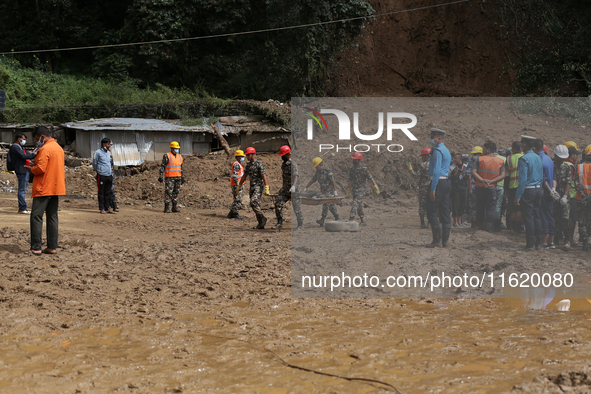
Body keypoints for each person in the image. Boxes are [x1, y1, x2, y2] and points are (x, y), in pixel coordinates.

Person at [24, 126, 65, 255]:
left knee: (36, 216)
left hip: (43, 188)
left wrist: (30, 169)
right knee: (53, 216)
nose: (37, 142)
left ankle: (36, 247)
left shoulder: (45, 149)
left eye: (37, 139)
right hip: (56, 187)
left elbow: (40, 169)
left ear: (42, 137)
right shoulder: (58, 148)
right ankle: (52, 246)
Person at [514, 135, 543, 250]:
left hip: (528, 190)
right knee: (537, 216)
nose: (521, 146)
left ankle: (530, 243)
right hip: (538, 189)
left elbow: (522, 180)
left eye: (522, 144)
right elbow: (541, 176)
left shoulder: (524, 159)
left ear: (525, 145)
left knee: (528, 217)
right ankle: (538, 242)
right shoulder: (538, 158)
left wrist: (518, 195)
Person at [470, 142, 505, 232]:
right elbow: (502, 175)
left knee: (480, 207)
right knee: (491, 207)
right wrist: (491, 181)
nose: (483, 150)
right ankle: (489, 228)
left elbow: (473, 172)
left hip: (479, 186)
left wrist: (482, 180)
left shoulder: (480, 159)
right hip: (492, 187)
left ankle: (479, 226)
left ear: (488, 150)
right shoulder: (500, 161)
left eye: (484, 149)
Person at [426, 128, 452, 247]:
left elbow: (436, 171)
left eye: (433, 137)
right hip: (446, 182)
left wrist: (433, 188)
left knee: (431, 210)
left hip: (438, 182)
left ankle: (437, 241)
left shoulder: (437, 151)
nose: (432, 140)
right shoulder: (446, 150)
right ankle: (445, 241)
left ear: (439, 138)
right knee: (445, 211)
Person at [236, 147, 270, 229]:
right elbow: (244, 176)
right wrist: (239, 186)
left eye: (248, 155)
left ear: (253, 154)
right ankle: (261, 223)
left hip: (258, 186)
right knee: (255, 204)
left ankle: (262, 218)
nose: (247, 157)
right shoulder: (248, 166)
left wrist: (266, 187)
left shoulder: (259, 164)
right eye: (246, 155)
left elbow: (264, 176)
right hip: (252, 187)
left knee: (253, 202)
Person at [272, 145, 304, 230]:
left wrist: (293, 186)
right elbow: (284, 177)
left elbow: (296, 176)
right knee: (278, 203)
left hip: (294, 189)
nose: (282, 157)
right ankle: (279, 223)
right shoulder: (283, 165)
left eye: (283, 155)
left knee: (296, 207)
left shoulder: (292, 164)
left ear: (288, 155)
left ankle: (300, 225)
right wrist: (283, 187)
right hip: (286, 189)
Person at [302, 157, 339, 226]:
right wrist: (306, 187)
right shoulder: (318, 172)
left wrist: (335, 191)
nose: (316, 168)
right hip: (323, 191)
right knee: (330, 205)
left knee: (325, 203)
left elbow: (332, 181)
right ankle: (337, 216)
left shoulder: (328, 171)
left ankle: (322, 219)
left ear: (320, 165)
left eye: (316, 167)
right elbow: (313, 180)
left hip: (329, 191)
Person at [533, 139, 556, 249]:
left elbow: (542, 179)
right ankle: (551, 242)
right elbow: (553, 177)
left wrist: (549, 191)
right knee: (550, 215)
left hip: (544, 191)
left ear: (534, 148)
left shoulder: (539, 159)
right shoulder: (549, 159)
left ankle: (544, 242)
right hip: (551, 191)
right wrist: (553, 190)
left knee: (543, 215)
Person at [346, 152, 379, 226]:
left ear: (359, 160)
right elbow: (350, 180)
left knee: (355, 203)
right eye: (353, 159)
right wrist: (348, 190)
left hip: (361, 190)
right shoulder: (352, 169)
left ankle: (351, 219)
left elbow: (370, 178)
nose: (354, 161)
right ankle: (363, 220)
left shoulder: (364, 169)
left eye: (355, 159)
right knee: (359, 205)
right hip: (354, 190)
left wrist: (375, 187)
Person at [553, 145, 574, 250]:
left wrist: (565, 196)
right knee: (555, 218)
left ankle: (567, 239)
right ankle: (556, 239)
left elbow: (568, 182)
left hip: (564, 197)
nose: (562, 160)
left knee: (565, 218)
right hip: (554, 197)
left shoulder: (566, 167)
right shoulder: (551, 166)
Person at [9, 133, 36, 214]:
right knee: (22, 190)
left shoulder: (20, 147)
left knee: (23, 189)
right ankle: (22, 208)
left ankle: (23, 207)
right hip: (21, 170)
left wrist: (31, 154)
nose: (24, 141)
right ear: (18, 139)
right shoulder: (15, 147)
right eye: (23, 139)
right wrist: (34, 154)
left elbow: (26, 154)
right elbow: (23, 156)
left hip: (24, 169)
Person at [408, 148, 432, 228]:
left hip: (423, 188)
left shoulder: (423, 165)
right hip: (432, 187)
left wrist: (411, 170)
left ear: (426, 156)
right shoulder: (435, 164)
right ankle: (430, 222)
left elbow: (416, 175)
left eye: (422, 156)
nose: (422, 158)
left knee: (422, 205)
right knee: (431, 205)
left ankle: (422, 223)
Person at [158, 141, 184, 213]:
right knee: (168, 192)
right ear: (171, 148)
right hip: (170, 177)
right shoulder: (167, 156)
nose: (176, 150)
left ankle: (174, 207)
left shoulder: (180, 156)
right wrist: (160, 176)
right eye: (175, 148)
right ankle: (166, 208)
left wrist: (182, 177)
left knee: (176, 192)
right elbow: (162, 166)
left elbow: (181, 167)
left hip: (178, 177)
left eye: (177, 148)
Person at [574, 145, 591, 251]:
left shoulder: (579, 167)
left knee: (582, 221)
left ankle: (585, 242)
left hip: (581, 198)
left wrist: (584, 196)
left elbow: (576, 184)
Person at [92, 138, 116, 214]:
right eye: (108, 144)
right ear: (104, 144)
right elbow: (94, 164)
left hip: (109, 175)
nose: (109, 146)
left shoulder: (108, 153)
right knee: (101, 192)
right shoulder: (97, 153)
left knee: (108, 193)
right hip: (102, 175)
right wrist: (99, 171)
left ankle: (107, 208)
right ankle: (102, 208)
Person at [505, 141, 524, 233]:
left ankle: (513, 228)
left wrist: (506, 188)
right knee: (520, 208)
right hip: (522, 186)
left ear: (515, 149)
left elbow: (507, 175)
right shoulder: (524, 157)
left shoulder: (509, 159)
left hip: (512, 186)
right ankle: (519, 228)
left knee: (513, 208)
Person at [564, 146, 580, 247]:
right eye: (576, 155)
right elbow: (572, 181)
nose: (577, 157)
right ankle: (570, 239)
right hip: (572, 195)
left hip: (564, 194)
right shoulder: (571, 166)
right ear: (572, 155)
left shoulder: (563, 163)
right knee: (572, 219)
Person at [449, 152, 469, 227]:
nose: (454, 160)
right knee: (455, 205)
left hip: (463, 188)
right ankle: (455, 222)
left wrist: (466, 176)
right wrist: (454, 176)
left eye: (455, 158)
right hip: (455, 189)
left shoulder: (466, 167)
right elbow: (449, 177)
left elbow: (470, 176)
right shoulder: (452, 167)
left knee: (462, 205)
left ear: (460, 159)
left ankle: (460, 221)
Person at [228, 149, 246, 219]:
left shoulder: (238, 164)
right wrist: (238, 185)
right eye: (241, 156)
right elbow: (234, 175)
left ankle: (231, 213)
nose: (243, 158)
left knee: (236, 199)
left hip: (236, 184)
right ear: (238, 157)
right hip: (236, 184)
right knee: (238, 199)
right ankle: (235, 213)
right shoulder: (236, 165)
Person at [467, 146, 482, 226]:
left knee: (473, 206)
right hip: (481, 186)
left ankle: (474, 222)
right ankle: (477, 222)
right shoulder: (482, 161)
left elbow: (468, 175)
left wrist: (469, 188)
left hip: (473, 186)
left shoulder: (471, 162)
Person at [494, 148, 508, 231]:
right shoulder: (505, 159)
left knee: (490, 204)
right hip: (500, 184)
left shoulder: (493, 158)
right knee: (498, 206)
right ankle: (497, 224)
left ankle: (489, 223)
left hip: (491, 184)